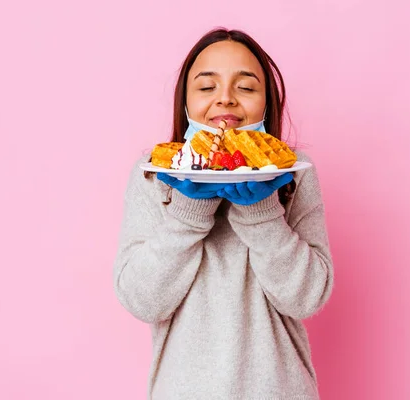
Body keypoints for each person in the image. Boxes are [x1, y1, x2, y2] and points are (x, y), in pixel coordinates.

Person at [113, 27, 334, 400]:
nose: (225, 100)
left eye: (246, 88)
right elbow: (142, 300)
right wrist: (187, 213)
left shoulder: (293, 173)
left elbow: (307, 298)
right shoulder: (155, 174)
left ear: (267, 103)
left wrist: (263, 214)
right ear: (184, 102)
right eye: (206, 87)